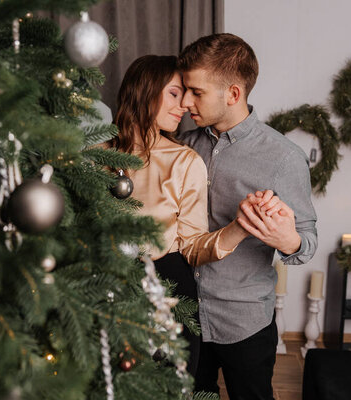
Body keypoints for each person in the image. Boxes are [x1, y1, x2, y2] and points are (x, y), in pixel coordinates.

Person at [107, 54, 282, 377]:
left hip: (166, 290)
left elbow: (192, 246)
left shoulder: (184, 162)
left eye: (189, 94)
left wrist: (241, 226)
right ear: (145, 90)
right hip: (102, 286)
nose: (186, 104)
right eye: (175, 93)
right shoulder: (93, 155)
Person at [176, 34, 318, 399]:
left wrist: (286, 237)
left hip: (245, 323)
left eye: (197, 92)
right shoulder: (184, 146)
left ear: (234, 94)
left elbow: (306, 242)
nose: (186, 102)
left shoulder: (284, 158)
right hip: (185, 316)